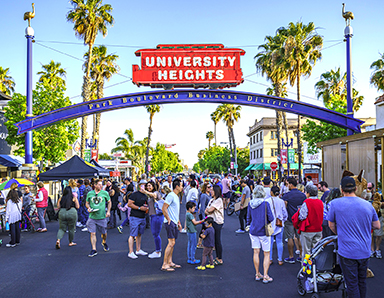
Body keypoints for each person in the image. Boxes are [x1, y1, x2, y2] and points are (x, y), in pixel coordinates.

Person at [328, 176, 380, 298]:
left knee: (351, 283)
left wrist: (341, 233)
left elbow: (331, 225)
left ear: (341, 189)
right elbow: (377, 225)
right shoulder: (367, 205)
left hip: (347, 251)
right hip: (364, 250)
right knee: (362, 281)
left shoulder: (334, 204)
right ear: (356, 188)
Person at [246, 185, 274, 283]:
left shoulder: (250, 204)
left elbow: (248, 217)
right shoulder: (265, 204)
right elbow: (271, 218)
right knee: (266, 253)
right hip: (264, 232)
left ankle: (257, 273)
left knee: (256, 252)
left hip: (253, 231)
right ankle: (265, 275)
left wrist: (248, 225)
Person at [295, 184, 323, 263]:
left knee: (306, 251)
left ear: (308, 193)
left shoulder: (306, 202)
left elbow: (302, 216)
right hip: (318, 229)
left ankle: (306, 270)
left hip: (308, 230)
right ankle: (316, 267)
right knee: (316, 250)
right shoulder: (320, 202)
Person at [85, 179, 111, 257]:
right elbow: (87, 203)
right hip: (92, 216)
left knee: (104, 233)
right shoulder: (90, 193)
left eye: (101, 184)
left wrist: (108, 211)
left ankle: (104, 241)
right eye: (99, 184)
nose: (101, 186)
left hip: (102, 216)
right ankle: (94, 249)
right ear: (95, 185)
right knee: (93, 233)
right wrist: (88, 207)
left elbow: (109, 202)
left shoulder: (105, 193)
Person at [161, 178, 183, 272]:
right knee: (171, 243)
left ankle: (170, 262)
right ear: (177, 186)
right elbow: (164, 208)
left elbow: (175, 211)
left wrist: (178, 222)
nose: (182, 187)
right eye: (181, 185)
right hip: (170, 222)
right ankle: (164, 264)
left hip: (174, 222)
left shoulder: (176, 196)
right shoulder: (171, 195)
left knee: (173, 243)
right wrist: (168, 219)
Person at [283, 177, 306, 264]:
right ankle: (300, 255)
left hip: (289, 219)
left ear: (291, 184)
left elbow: (284, 207)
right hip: (299, 219)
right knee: (299, 237)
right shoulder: (302, 195)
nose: (287, 185)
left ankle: (291, 256)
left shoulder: (287, 195)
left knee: (290, 237)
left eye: (287, 184)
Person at [127, 178, 149, 259]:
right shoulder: (135, 194)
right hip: (135, 216)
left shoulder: (145, 195)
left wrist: (145, 208)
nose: (144, 187)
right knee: (132, 234)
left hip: (142, 216)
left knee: (139, 234)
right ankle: (130, 252)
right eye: (143, 185)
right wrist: (139, 208)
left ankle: (138, 249)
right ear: (139, 186)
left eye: (145, 185)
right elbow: (129, 204)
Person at [268, 186, 288, 266]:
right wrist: (284, 219)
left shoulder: (267, 201)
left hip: (269, 223)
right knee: (279, 241)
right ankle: (280, 259)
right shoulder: (281, 201)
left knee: (270, 242)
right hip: (279, 222)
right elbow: (284, 212)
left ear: (271, 192)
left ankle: (269, 259)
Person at [205, 184, 224, 265]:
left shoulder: (219, 200)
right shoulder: (212, 200)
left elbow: (210, 210)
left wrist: (209, 210)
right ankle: (216, 257)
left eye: (212, 190)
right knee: (214, 241)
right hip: (212, 222)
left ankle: (219, 258)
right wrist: (208, 210)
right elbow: (206, 210)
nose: (210, 191)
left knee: (217, 240)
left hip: (217, 222)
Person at [146, 180, 165, 259]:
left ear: (153, 186)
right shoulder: (149, 195)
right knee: (155, 234)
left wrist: (145, 191)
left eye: (150, 186)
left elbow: (154, 195)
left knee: (156, 234)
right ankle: (157, 250)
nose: (148, 187)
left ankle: (158, 251)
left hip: (157, 216)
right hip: (153, 216)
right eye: (147, 186)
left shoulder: (156, 193)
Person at [5, 183, 23, 247]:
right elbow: (20, 207)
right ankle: (17, 241)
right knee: (17, 228)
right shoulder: (18, 200)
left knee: (12, 229)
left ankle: (13, 242)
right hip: (18, 215)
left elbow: (8, 211)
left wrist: (6, 218)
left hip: (12, 216)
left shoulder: (10, 201)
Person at [369, 182, 384, 259]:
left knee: (379, 234)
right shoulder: (365, 196)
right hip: (369, 218)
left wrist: (379, 204)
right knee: (370, 235)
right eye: (367, 188)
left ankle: (377, 249)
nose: (368, 190)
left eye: (370, 188)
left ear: (373, 188)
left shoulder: (378, 196)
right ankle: (372, 249)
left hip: (378, 217)